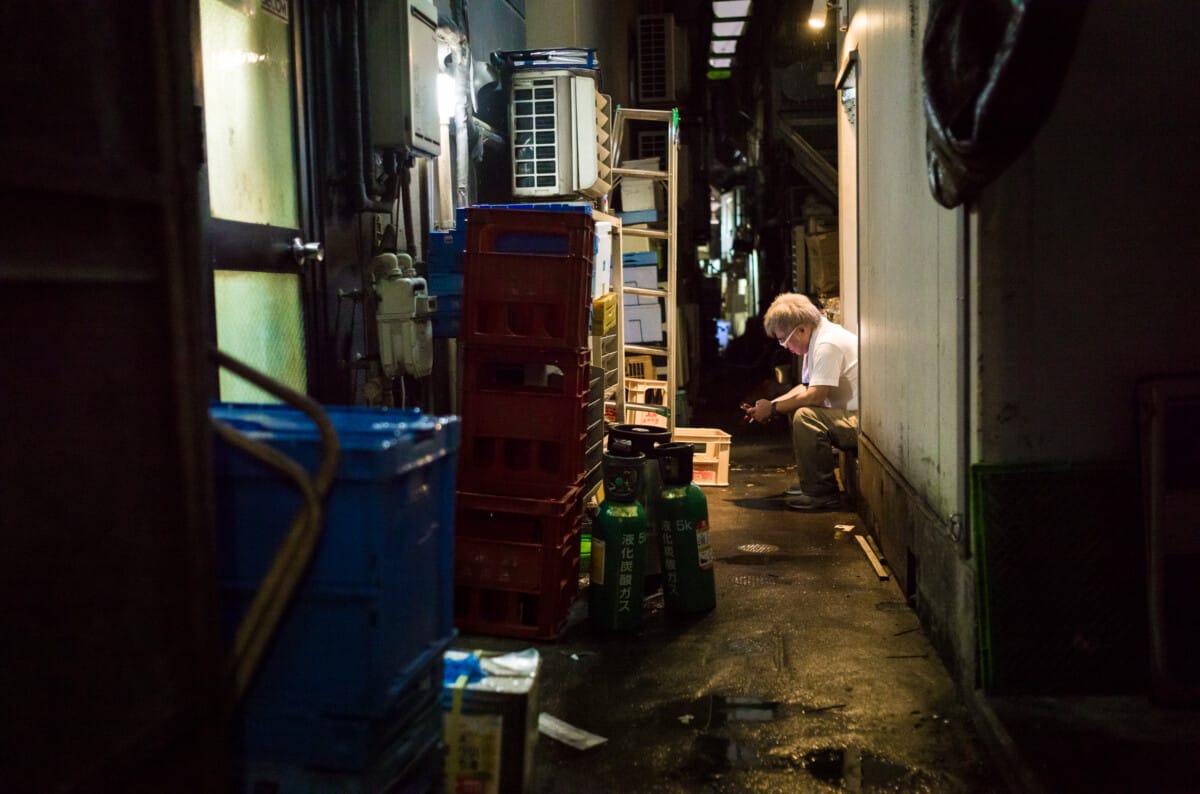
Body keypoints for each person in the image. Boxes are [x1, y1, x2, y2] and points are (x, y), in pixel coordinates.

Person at [742, 293, 858, 511]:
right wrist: (770, 405)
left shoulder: (827, 344)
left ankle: (822, 493)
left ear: (802, 328)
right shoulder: (817, 338)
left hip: (861, 422)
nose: (786, 347)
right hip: (848, 415)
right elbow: (805, 386)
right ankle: (812, 484)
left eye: (785, 340)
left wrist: (774, 408)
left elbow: (816, 395)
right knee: (799, 410)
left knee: (806, 417)